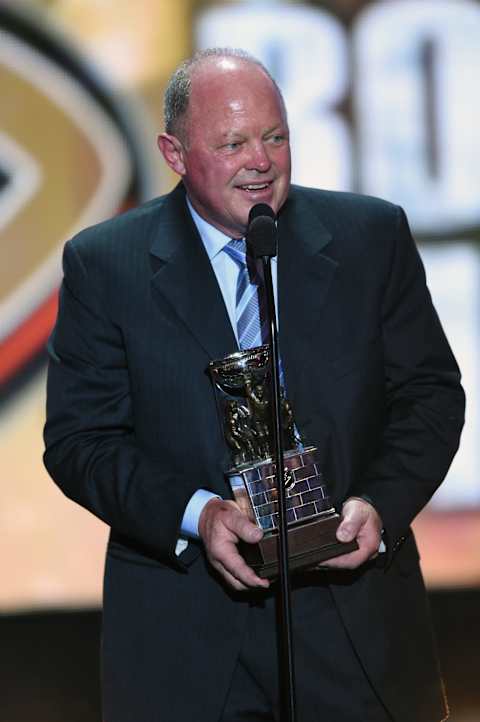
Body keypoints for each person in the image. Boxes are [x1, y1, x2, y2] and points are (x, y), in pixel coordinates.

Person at [43, 48, 465, 722]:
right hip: (187, 638)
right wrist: (199, 513)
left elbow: (432, 397)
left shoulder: (369, 237)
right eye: (233, 142)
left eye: (274, 136)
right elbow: (80, 442)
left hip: (354, 625)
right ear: (174, 153)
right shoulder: (105, 265)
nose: (260, 160)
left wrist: (380, 506)